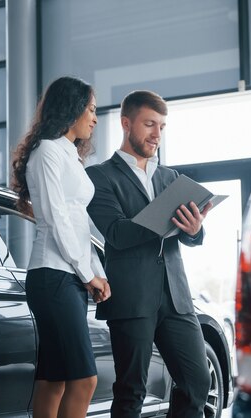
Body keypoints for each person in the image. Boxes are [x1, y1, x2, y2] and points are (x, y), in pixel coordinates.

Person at [85, 90, 212, 418]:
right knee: (131, 391)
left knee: (197, 382)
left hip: (176, 297)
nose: (157, 134)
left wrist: (194, 228)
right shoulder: (99, 176)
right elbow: (115, 232)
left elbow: (191, 238)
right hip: (131, 298)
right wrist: (164, 216)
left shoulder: (171, 178)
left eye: (162, 126)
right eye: (149, 124)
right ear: (126, 124)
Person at [10, 76, 111, 418]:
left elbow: (78, 221)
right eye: (91, 110)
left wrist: (97, 272)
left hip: (64, 277)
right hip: (53, 276)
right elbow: (56, 220)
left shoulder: (69, 155)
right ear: (71, 109)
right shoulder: (48, 152)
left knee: (53, 379)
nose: (95, 119)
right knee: (84, 380)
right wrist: (87, 274)